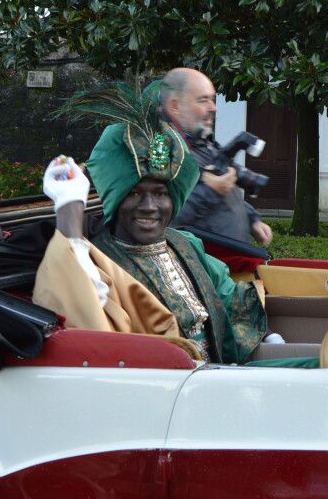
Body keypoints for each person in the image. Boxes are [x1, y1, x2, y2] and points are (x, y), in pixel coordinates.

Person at [33, 81, 268, 363]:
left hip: (224, 373)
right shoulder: (99, 262)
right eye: (133, 193)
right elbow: (82, 306)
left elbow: (229, 298)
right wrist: (70, 206)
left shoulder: (185, 244)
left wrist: (271, 339)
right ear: (116, 199)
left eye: (160, 194)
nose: (149, 207)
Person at [159, 67, 272, 246]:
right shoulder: (160, 150)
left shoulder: (202, 142)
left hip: (233, 263)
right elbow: (163, 218)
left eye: (212, 99)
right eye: (203, 100)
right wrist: (210, 191)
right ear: (175, 106)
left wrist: (252, 219)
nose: (213, 107)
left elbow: (224, 191)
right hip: (201, 268)